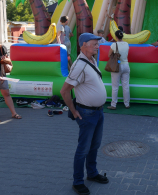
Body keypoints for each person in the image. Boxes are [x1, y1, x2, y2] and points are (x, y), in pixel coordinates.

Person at [60, 33, 108, 195]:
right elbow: (64, 91)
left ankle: (92, 173)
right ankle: (78, 181)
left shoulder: (91, 60)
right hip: (86, 114)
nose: (97, 46)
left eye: (97, 43)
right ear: (83, 45)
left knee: (94, 146)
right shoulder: (80, 65)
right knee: (83, 149)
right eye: (94, 44)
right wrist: (73, 111)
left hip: (98, 112)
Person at [0, 31, 22, 120]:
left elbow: (8, 59)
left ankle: (14, 113)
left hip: (0, 72)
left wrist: (3, 59)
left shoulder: (2, 47)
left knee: (6, 92)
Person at [107, 30, 130, 110]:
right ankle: (127, 104)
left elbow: (109, 55)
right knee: (126, 86)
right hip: (126, 65)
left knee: (115, 86)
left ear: (116, 37)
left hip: (117, 66)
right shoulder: (127, 44)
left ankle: (113, 104)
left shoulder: (114, 45)